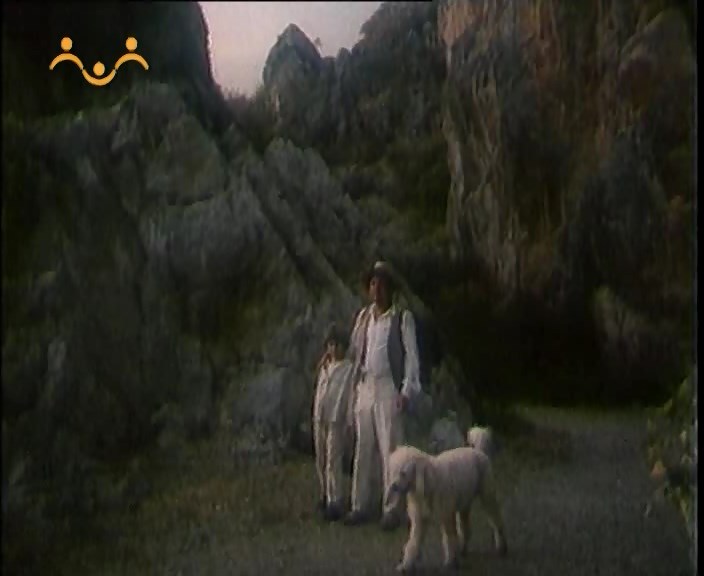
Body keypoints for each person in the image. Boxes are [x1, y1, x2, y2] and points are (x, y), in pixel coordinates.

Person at [343, 261, 422, 529]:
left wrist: (406, 390)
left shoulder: (402, 318)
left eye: (382, 285)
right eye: (373, 284)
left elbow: (412, 358)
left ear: (390, 289)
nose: (377, 290)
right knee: (363, 448)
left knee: (391, 449)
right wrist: (354, 389)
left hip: (389, 387)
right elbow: (356, 353)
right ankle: (360, 505)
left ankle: (392, 508)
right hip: (367, 386)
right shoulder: (364, 318)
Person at [313, 323, 355, 521]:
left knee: (333, 460)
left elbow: (350, 395)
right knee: (321, 458)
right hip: (320, 416)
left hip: (336, 418)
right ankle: (324, 493)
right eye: (331, 344)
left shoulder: (348, 369)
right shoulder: (325, 367)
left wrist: (349, 420)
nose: (334, 349)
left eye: (338, 345)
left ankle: (335, 499)